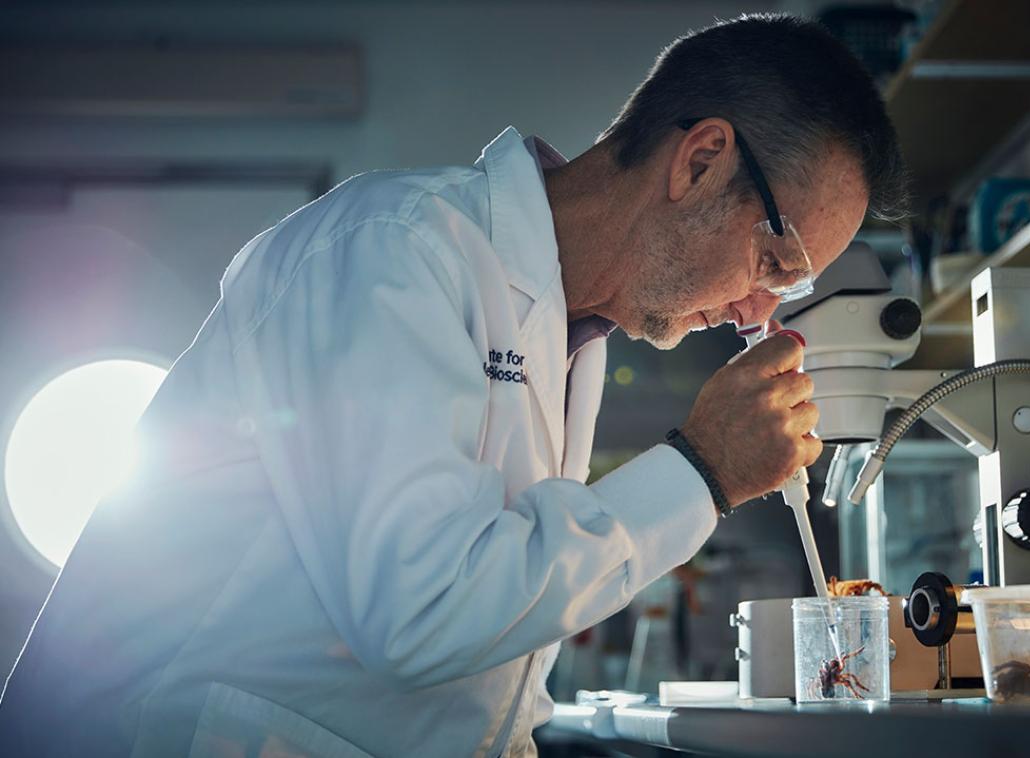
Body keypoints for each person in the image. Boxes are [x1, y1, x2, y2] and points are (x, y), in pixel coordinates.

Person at [0, 13, 906, 757]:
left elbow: (487, 661)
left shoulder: (572, 327)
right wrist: (702, 470)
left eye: (786, 288)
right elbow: (419, 611)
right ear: (700, 159)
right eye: (772, 260)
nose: (760, 313)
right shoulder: (392, 251)